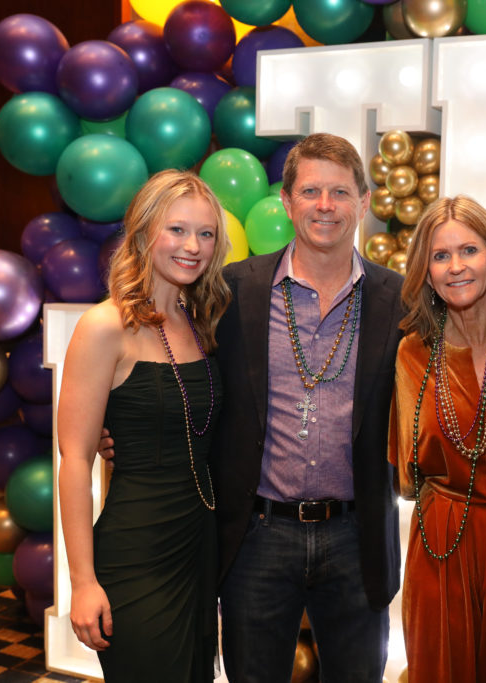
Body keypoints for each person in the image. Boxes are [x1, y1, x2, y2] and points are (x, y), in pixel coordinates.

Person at [212, 133, 403, 682]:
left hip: (356, 534)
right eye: (311, 191)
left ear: (363, 203)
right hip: (257, 536)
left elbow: (459, 353)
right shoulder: (234, 291)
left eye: (340, 192)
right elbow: (186, 376)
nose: (326, 205)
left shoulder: (399, 298)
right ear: (287, 202)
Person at [57, 170, 231, 682]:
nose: (192, 246)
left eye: (206, 234)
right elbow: (73, 460)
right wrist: (82, 582)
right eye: (177, 230)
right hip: (136, 556)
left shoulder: (200, 322)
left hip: (198, 549)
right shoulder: (104, 327)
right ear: (142, 232)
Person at [389, 195, 486, 682]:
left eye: (469, 251)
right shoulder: (411, 353)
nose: (456, 267)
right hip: (440, 547)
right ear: (426, 272)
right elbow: (407, 474)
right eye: (440, 256)